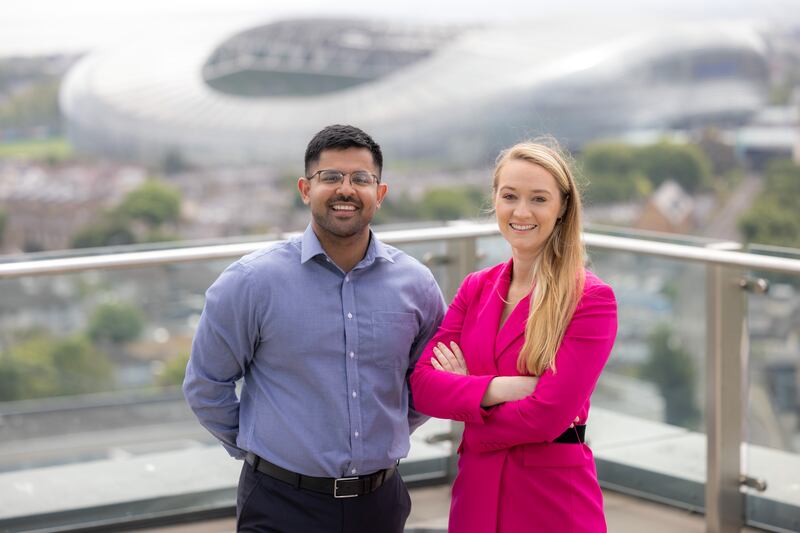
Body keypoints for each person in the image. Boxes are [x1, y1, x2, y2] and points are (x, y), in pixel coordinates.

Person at [183, 124, 446, 533]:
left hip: (380, 503)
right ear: (306, 189)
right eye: (331, 177)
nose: (346, 189)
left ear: (380, 193)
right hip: (280, 503)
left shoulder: (416, 284)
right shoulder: (250, 282)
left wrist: (388, 431)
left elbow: (430, 381)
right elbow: (206, 384)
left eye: (361, 178)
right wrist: (260, 447)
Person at [410, 140, 618, 533]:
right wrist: (501, 388)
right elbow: (422, 387)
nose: (522, 212)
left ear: (562, 209)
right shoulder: (476, 287)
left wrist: (468, 399)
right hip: (475, 495)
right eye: (510, 196)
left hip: (552, 503)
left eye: (538, 198)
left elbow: (547, 418)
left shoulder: (590, 299)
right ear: (495, 201)